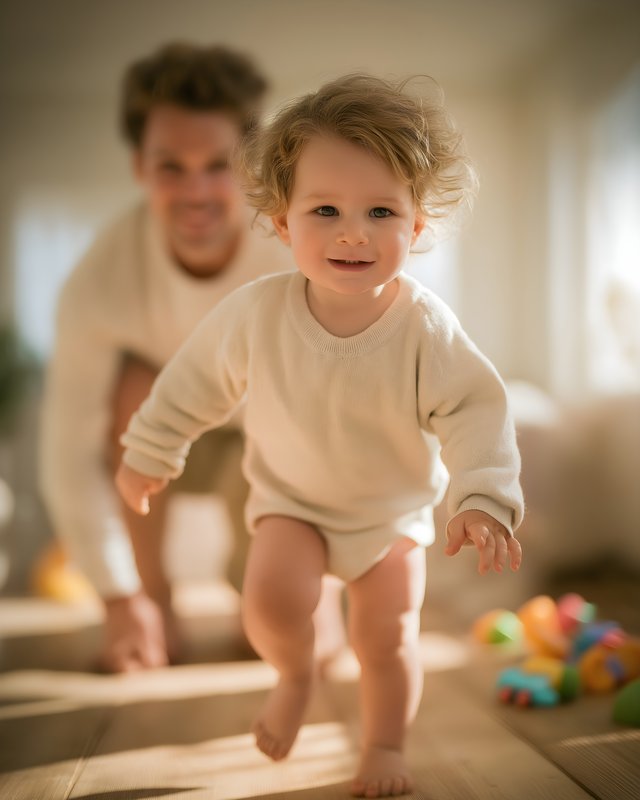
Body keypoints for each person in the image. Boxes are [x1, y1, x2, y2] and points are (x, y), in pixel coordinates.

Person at [116, 74, 524, 798]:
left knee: (386, 638)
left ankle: (385, 743)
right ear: (281, 221)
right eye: (325, 209)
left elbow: (474, 409)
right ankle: (297, 670)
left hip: (388, 515)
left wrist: (483, 496)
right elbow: (193, 382)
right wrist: (151, 451)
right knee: (267, 604)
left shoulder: (425, 327)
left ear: (418, 226)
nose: (352, 232)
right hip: (293, 502)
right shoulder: (256, 314)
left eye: (380, 211)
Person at [39, 42, 304, 673]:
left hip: (271, 444)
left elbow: (350, 408)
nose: (198, 191)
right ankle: (155, 599)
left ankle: (264, 592)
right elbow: (68, 451)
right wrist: (117, 593)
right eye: (171, 167)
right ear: (139, 167)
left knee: (271, 633)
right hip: (160, 441)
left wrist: (337, 582)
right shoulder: (99, 279)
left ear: (253, 166)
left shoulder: (301, 246)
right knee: (133, 382)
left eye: (218, 165)